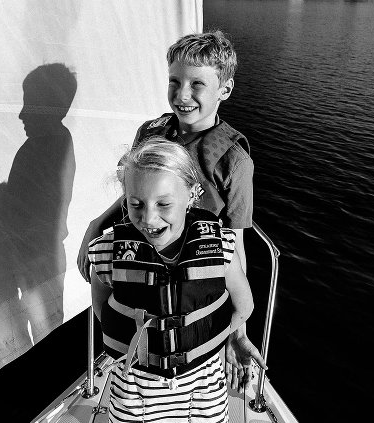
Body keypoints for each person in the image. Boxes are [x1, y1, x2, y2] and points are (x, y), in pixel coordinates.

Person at [88, 138, 265, 423]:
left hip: (202, 393)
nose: (149, 218)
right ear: (125, 200)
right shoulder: (106, 253)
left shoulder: (220, 248)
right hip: (135, 394)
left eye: (163, 204)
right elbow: (103, 309)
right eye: (136, 204)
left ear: (191, 196)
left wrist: (206, 337)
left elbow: (244, 306)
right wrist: (143, 343)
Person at [78, 29, 253, 280]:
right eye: (175, 81)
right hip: (141, 259)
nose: (182, 95)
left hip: (193, 272)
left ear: (224, 90)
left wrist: (239, 304)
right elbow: (135, 198)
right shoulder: (150, 134)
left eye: (197, 84)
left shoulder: (234, 162)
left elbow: (236, 243)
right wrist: (97, 224)